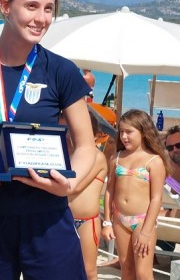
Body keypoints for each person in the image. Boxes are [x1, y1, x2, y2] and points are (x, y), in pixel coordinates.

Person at [0, 0, 96, 279]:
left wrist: (70, 183)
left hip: (47, 216)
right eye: (31, 6)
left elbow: (87, 146)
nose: (41, 18)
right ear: (5, 6)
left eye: (49, 9)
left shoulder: (61, 71)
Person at [102, 109, 170, 279]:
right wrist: (107, 222)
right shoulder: (117, 158)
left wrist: (146, 231)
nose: (124, 137)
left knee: (143, 272)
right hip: (120, 218)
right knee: (126, 268)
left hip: (142, 220)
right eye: (121, 132)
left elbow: (156, 198)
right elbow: (110, 190)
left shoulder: (153, 161)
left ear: (143, 132)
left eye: (129, 132)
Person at [68, 111, 108, 280]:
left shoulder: (97, 157)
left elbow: (74, 187)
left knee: (89, 270)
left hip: (87, 221)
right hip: (65, 218)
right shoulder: (66, 155)